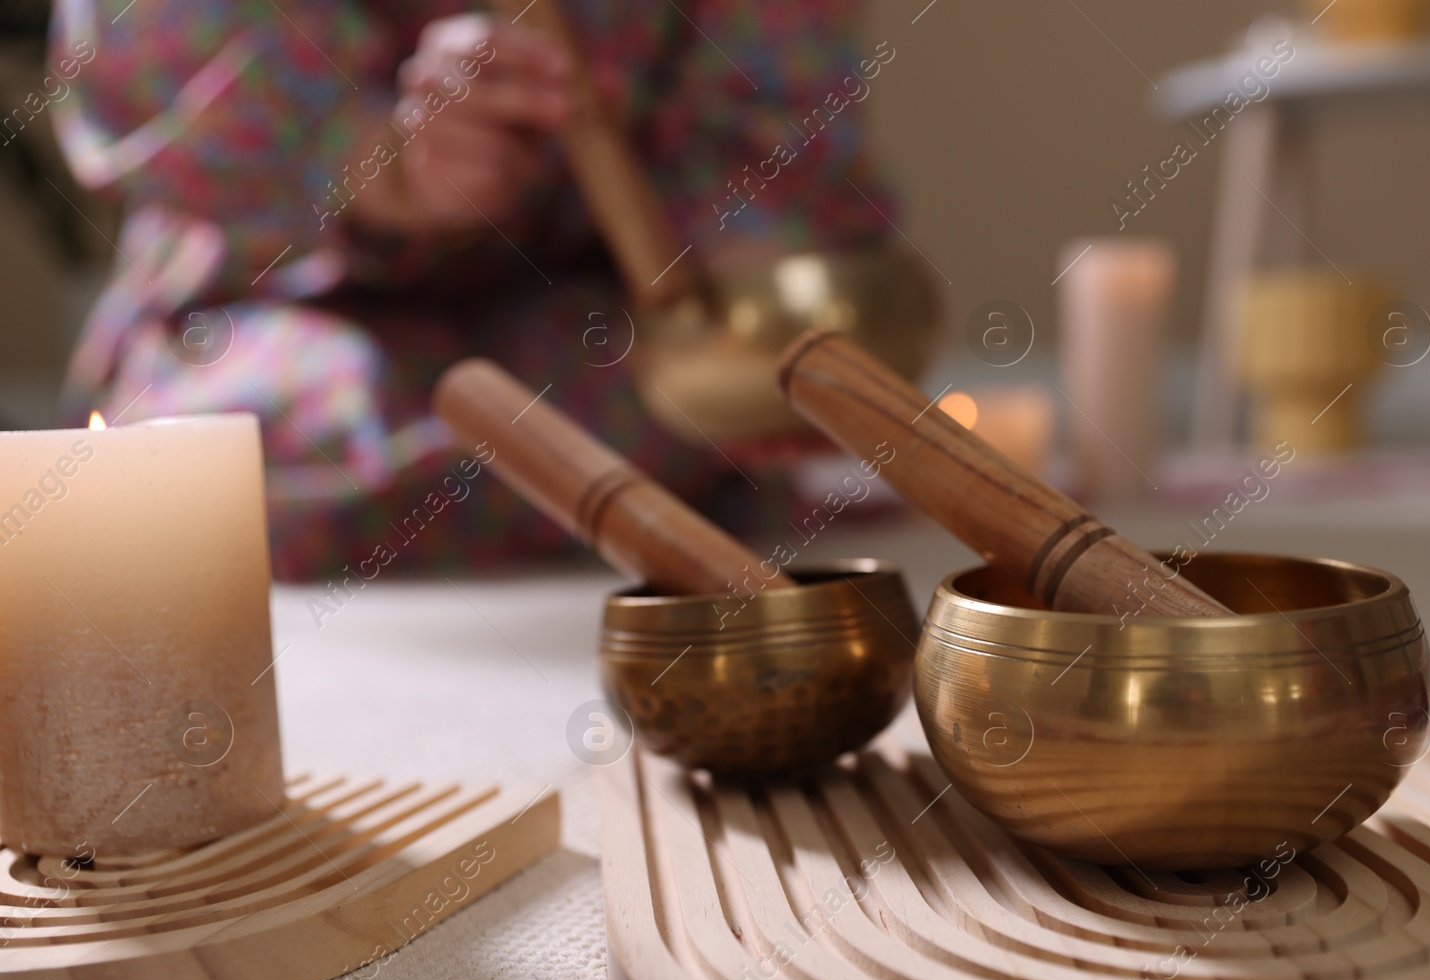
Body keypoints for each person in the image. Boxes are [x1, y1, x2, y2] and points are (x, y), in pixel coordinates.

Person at [49, 0, 896, 578]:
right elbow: (152, 57)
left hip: (595, 313)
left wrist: (753, 320)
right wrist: (385, 162)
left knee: (662, 399)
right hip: (281, 300)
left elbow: (772, 107)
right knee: (214, 454)